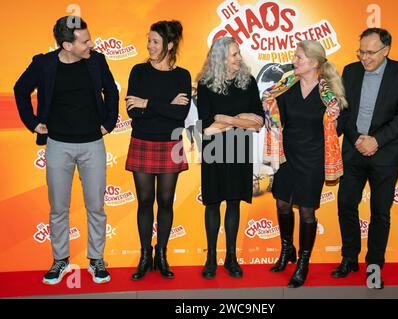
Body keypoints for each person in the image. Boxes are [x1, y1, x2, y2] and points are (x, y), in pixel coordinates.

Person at [14, 16, 119, 284]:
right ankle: (60, 260)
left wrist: (108, 124)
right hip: (58, 145)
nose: (91, 44)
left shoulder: (96, 61)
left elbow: (112, 92)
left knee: (96, 207)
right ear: (67, 45)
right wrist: (33, 123)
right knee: (58, 208)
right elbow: (20, 89)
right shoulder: (44, 64)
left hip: (93, 145)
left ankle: (97, 259)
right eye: (84, 41)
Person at [332, 28, 398, 289]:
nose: (364, 58)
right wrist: (358, 138)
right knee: (346, 204)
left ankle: (374, 266)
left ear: (386, 50)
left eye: (370, 53)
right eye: (361, 52)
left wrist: (376, 141)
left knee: (380, 212)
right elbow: (343, 113)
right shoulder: (350, 71)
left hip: (386, 155)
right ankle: (349, 258)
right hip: (353, 151)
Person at [264, 40, 346, 288]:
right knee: (282, 203)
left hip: (313, 159)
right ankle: (287, 249)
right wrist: (269, 108)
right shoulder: (286, 88)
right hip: (288, 156)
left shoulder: (329, 95)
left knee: (307, 211)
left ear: (313, 62)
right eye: (295, 57)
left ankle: (303, 261)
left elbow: (340, 126)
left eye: (299, 57)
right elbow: (278, 119)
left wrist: (334, 121)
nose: (294, 61)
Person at [125, 20, 191, 280]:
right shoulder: (138, 71)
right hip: (142, 140)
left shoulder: (182, 76)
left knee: (165, 201)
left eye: (155, 42)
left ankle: (161, 255)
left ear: (170, 45)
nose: (149, 46)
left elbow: (181, 114)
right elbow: (133, 112)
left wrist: (148, 103)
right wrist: (165, 106)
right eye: (149, 41)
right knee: (144, 202)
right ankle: (144, 256)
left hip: (170, 143)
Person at [196, 36, 264, 279]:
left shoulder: (249, 82)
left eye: (238, 53)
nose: (239, 58)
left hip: (240, 149)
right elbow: (206, 128)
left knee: (234, 202)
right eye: (233, 54)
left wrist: (228, 119)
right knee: (213, 203)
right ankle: (211, 257)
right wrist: (241, 119)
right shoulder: (205, 84)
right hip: (213, 150)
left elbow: (258, 122)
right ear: (220, 58)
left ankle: (231, 258)